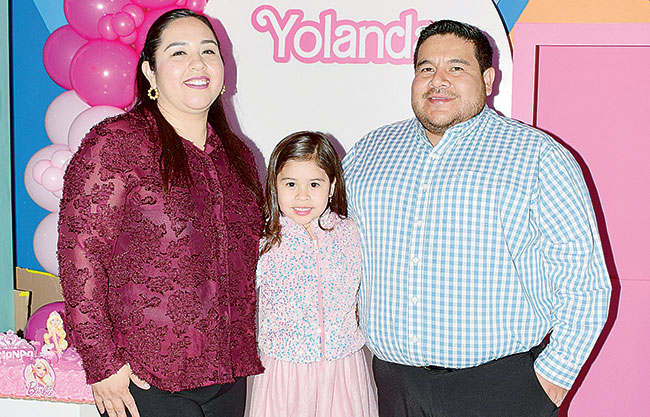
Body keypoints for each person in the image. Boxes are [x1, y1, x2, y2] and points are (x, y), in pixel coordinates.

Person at [343, 19, 611, 417]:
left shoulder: (538, 156)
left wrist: (550, 382)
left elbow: (585, 283)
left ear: (487, 79)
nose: (438, 80)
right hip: (393, 387)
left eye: (457, 67)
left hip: (504, 391)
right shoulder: (368, 152)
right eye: (426, 68)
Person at [57, 9, 264, 417]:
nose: (198, 63)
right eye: (178, 52)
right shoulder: (118, 142)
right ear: (149, 72)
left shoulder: (237, 155)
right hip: (146, 381)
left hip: (229, 377)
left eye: (208, 51)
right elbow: (80, 253)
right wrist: (101, 362)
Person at [248, 132, 378, 417]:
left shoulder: (350, 233)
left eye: (314, 184)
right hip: (285, 368)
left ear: (332, 186)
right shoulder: (265, 240)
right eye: (291, 184)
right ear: (275, 185)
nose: (302, 195)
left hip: (342, 366)